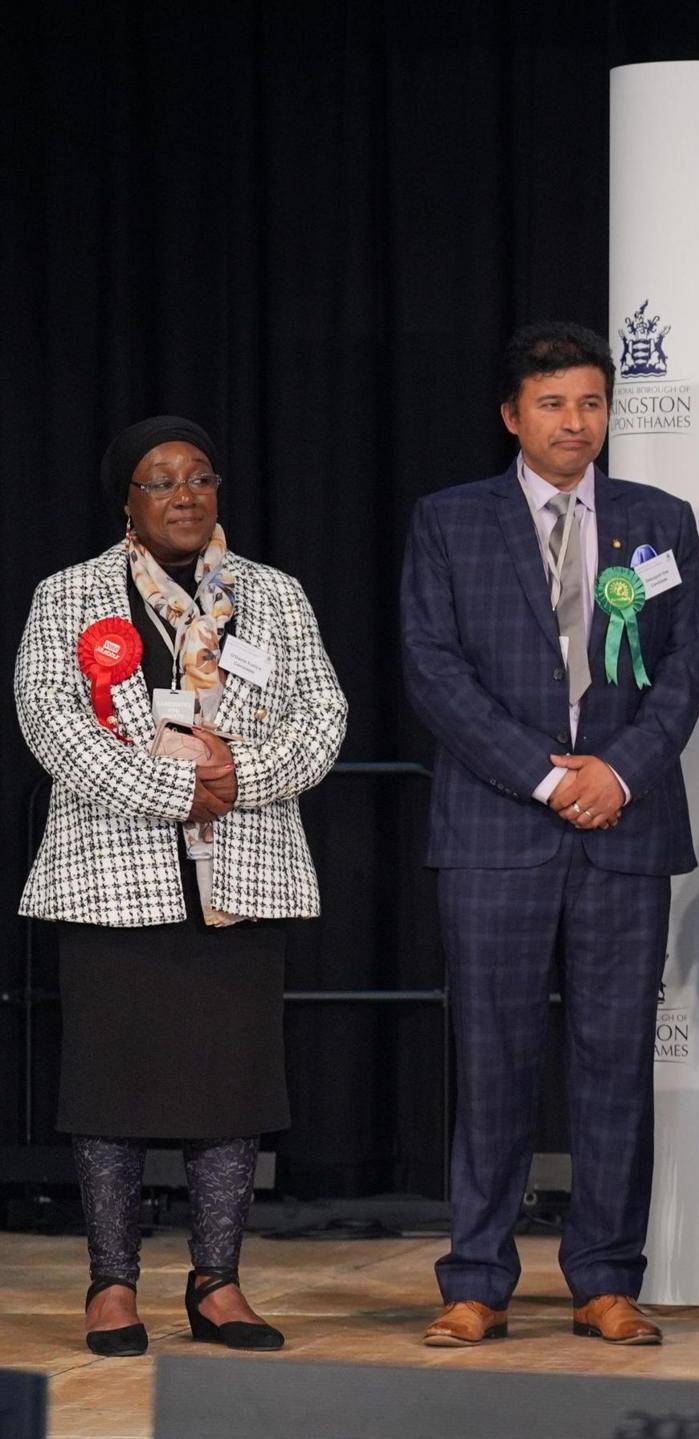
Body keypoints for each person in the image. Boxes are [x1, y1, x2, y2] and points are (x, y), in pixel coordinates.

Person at [400, 323, 699, 1347]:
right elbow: (433, 669)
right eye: (552, 404)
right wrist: (545, 776)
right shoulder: (449, 522)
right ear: (511, 415)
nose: (574, 422)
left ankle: (606, 1278)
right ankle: (478, 1278)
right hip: (497, 828)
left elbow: (687, 666)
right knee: (489, 1059)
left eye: (590, 402)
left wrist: (617, 771)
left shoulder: (656, 522)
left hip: (624, 826)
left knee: (615, 1060)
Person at [16, 416, 347, 1355]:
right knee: (109, 1087)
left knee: (231, 1088)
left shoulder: (273, 596)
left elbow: (324, 716)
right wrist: (177, 786)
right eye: (161, 481)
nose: (186, 495)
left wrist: (241, 775)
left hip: (241, 866)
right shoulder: (70, 595)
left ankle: (218, 1282)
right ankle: (111, 1285)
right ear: (127, 499)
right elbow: (51, 722)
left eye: (200, 477)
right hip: (112, 875)